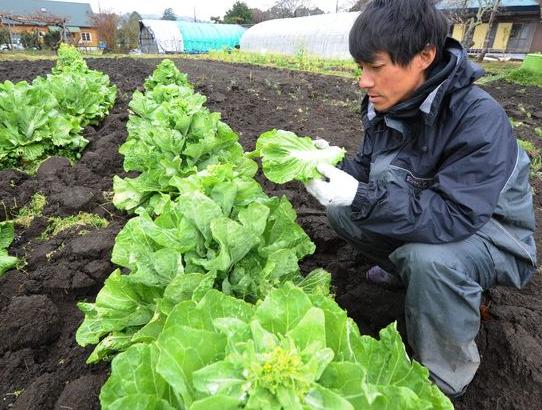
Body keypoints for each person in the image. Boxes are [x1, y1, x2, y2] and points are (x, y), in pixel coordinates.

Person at [304, 0, 537, 399]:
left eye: (374, 68)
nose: (363, 81)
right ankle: (410, 277)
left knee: (427, 259)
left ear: (424, 57)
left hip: (493, 236)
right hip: (431, 214)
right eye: (360, 67)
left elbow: (454, 216)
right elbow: (368, 165)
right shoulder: (386, 103)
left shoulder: (477, 118)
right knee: (342, 211)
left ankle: (446, 375)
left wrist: (362, 196)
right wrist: (332, 166)